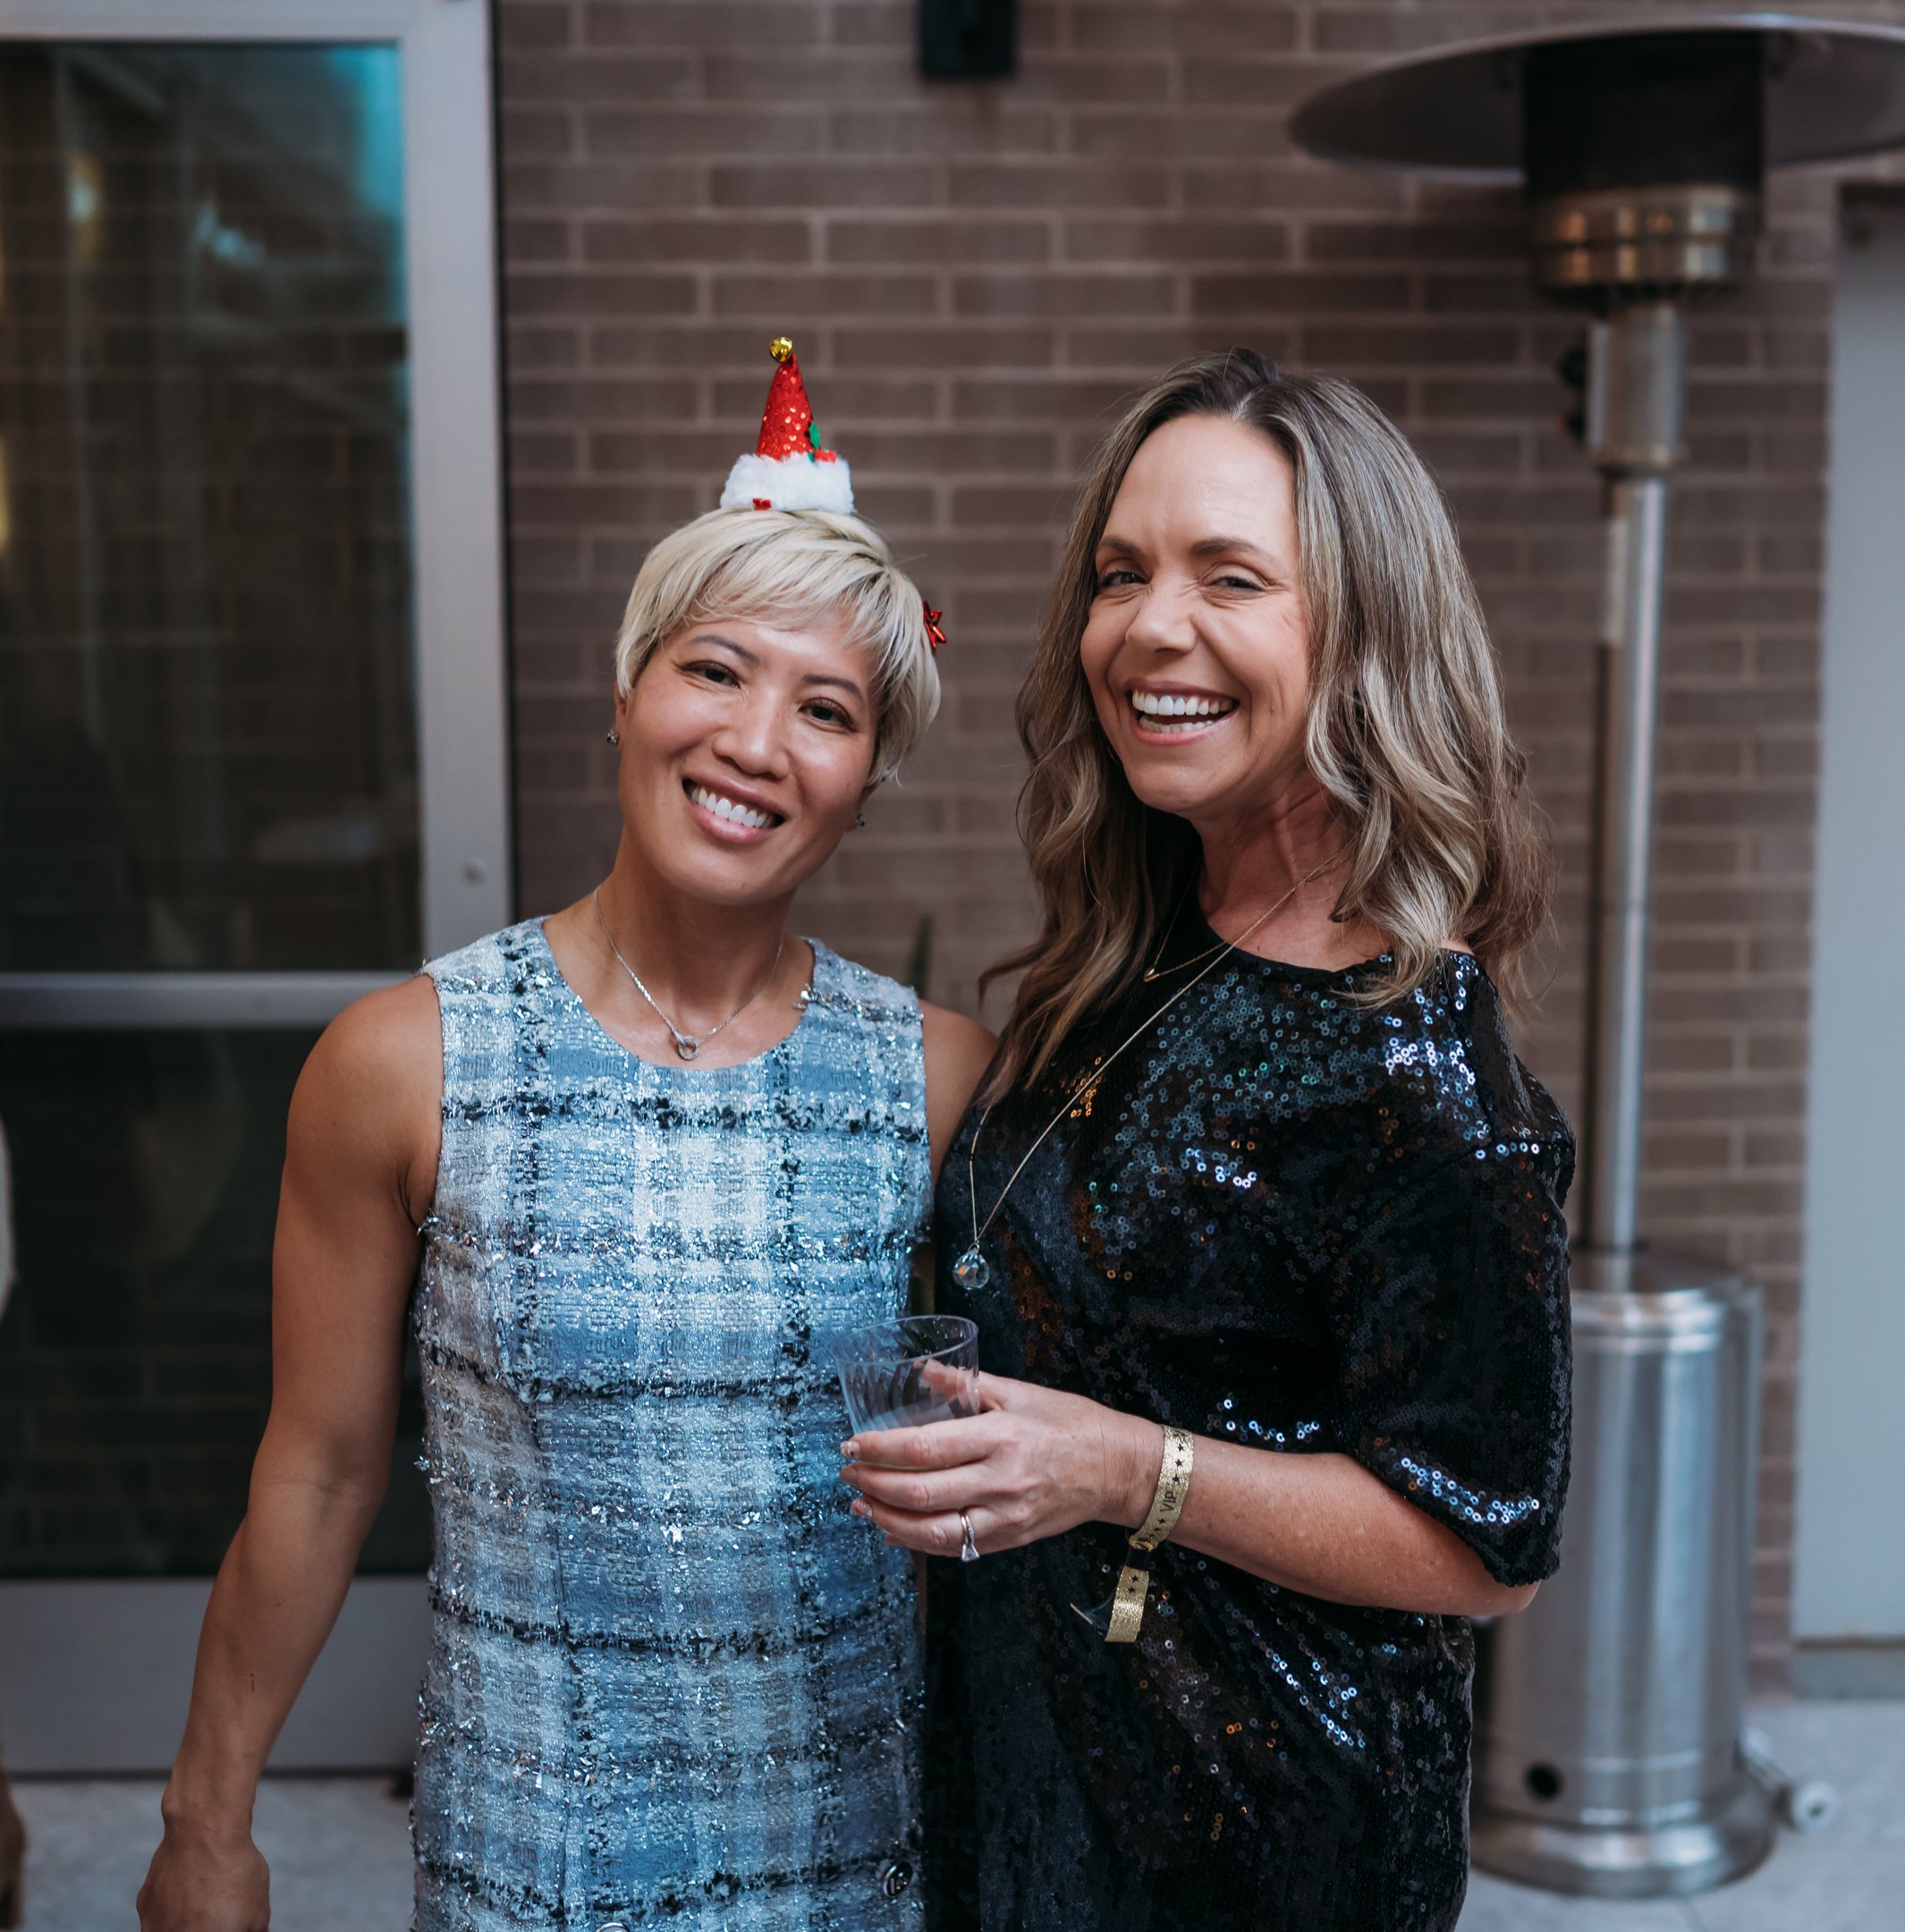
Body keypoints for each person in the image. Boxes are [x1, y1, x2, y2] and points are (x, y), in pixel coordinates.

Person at [136, 340, 995, 1932]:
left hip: (863, 1858)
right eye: (716, 669)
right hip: (535, 1862)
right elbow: (319, 1474)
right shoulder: (405, 1063)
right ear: (627, 693)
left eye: (826, 710)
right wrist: (209, 1819)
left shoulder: (938, 1082)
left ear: (865, 783)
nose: (756, 740)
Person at [842, 349, 1573, 1932]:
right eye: (1120, 572)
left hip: (1257, 1839)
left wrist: (1119, 1467)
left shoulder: (1414, 1058)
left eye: (1227, 576)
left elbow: (1485, 1545)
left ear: (1363, 635)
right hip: (1043, 1788)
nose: (1148, 628)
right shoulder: (1131, 954)